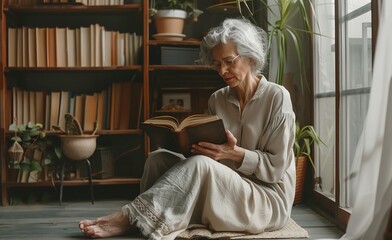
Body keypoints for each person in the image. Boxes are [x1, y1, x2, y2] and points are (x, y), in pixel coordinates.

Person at [79, 18, 296, 239]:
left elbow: (276, 169)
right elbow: (210, 158)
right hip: (225, 188)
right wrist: (185, 144)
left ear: (251, 57)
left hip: (265, 199)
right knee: (158, 158)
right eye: (217, 64)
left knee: (200, 165)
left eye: (229, 61)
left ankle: (129, 216)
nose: (222, 70)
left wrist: (235, 153)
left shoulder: (277, 97)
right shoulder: (217, 100)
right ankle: (144, 222)